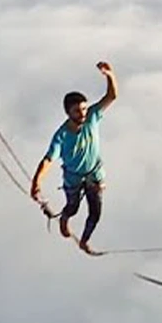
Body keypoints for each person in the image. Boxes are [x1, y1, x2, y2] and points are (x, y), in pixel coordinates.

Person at [30, 61, 117, 254]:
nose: (83, 114)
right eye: (78, 111)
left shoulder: (92, 116)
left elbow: (111, 96)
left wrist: (109, 76)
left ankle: (84, 241)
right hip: (74, 178)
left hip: (94, 174)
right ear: (68, 112)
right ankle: (64, 219)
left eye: (84, 109)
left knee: (95, 213)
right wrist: (36, 182)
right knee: (73, 207)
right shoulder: (61, 135)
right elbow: (48, 161)